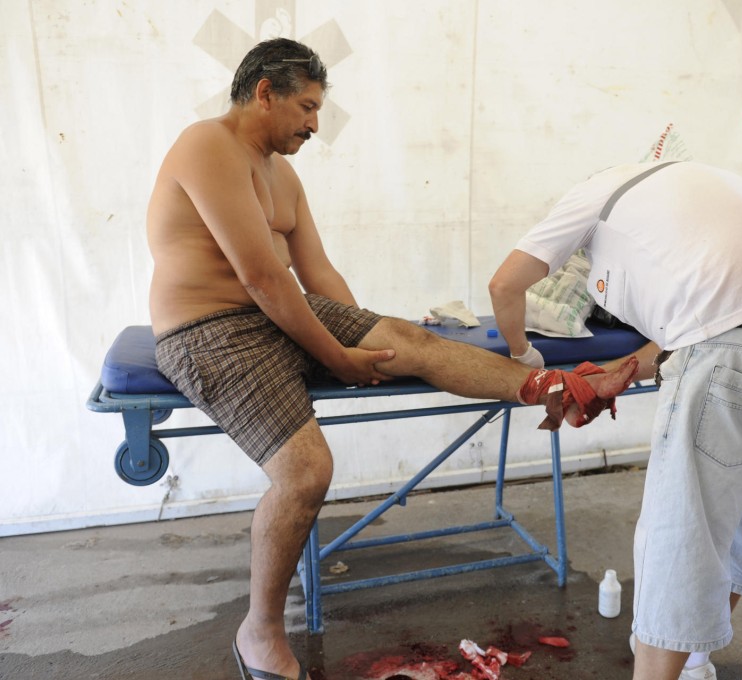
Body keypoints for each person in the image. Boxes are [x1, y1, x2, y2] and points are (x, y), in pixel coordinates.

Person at [146, 38, 638, 680]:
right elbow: (264, 278)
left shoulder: (283, 175)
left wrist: (366, 340)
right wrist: (341, 360)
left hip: (275, 314)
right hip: (208, 330)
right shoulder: (206, 144)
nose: (315, 125)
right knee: (306, 472)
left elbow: (316, 275)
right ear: (264, 92)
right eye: (307, 106)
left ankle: (554, 389)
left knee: (415, 339)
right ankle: (259, 632)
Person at [489, 160, 742, 680]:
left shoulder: (589, 193)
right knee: (740, 522)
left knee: (679, 536)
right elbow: (726, 304)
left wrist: (524, 360)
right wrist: (622, 372)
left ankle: (661, 669)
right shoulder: (701, 185)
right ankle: (693, 662)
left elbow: (505, 286)